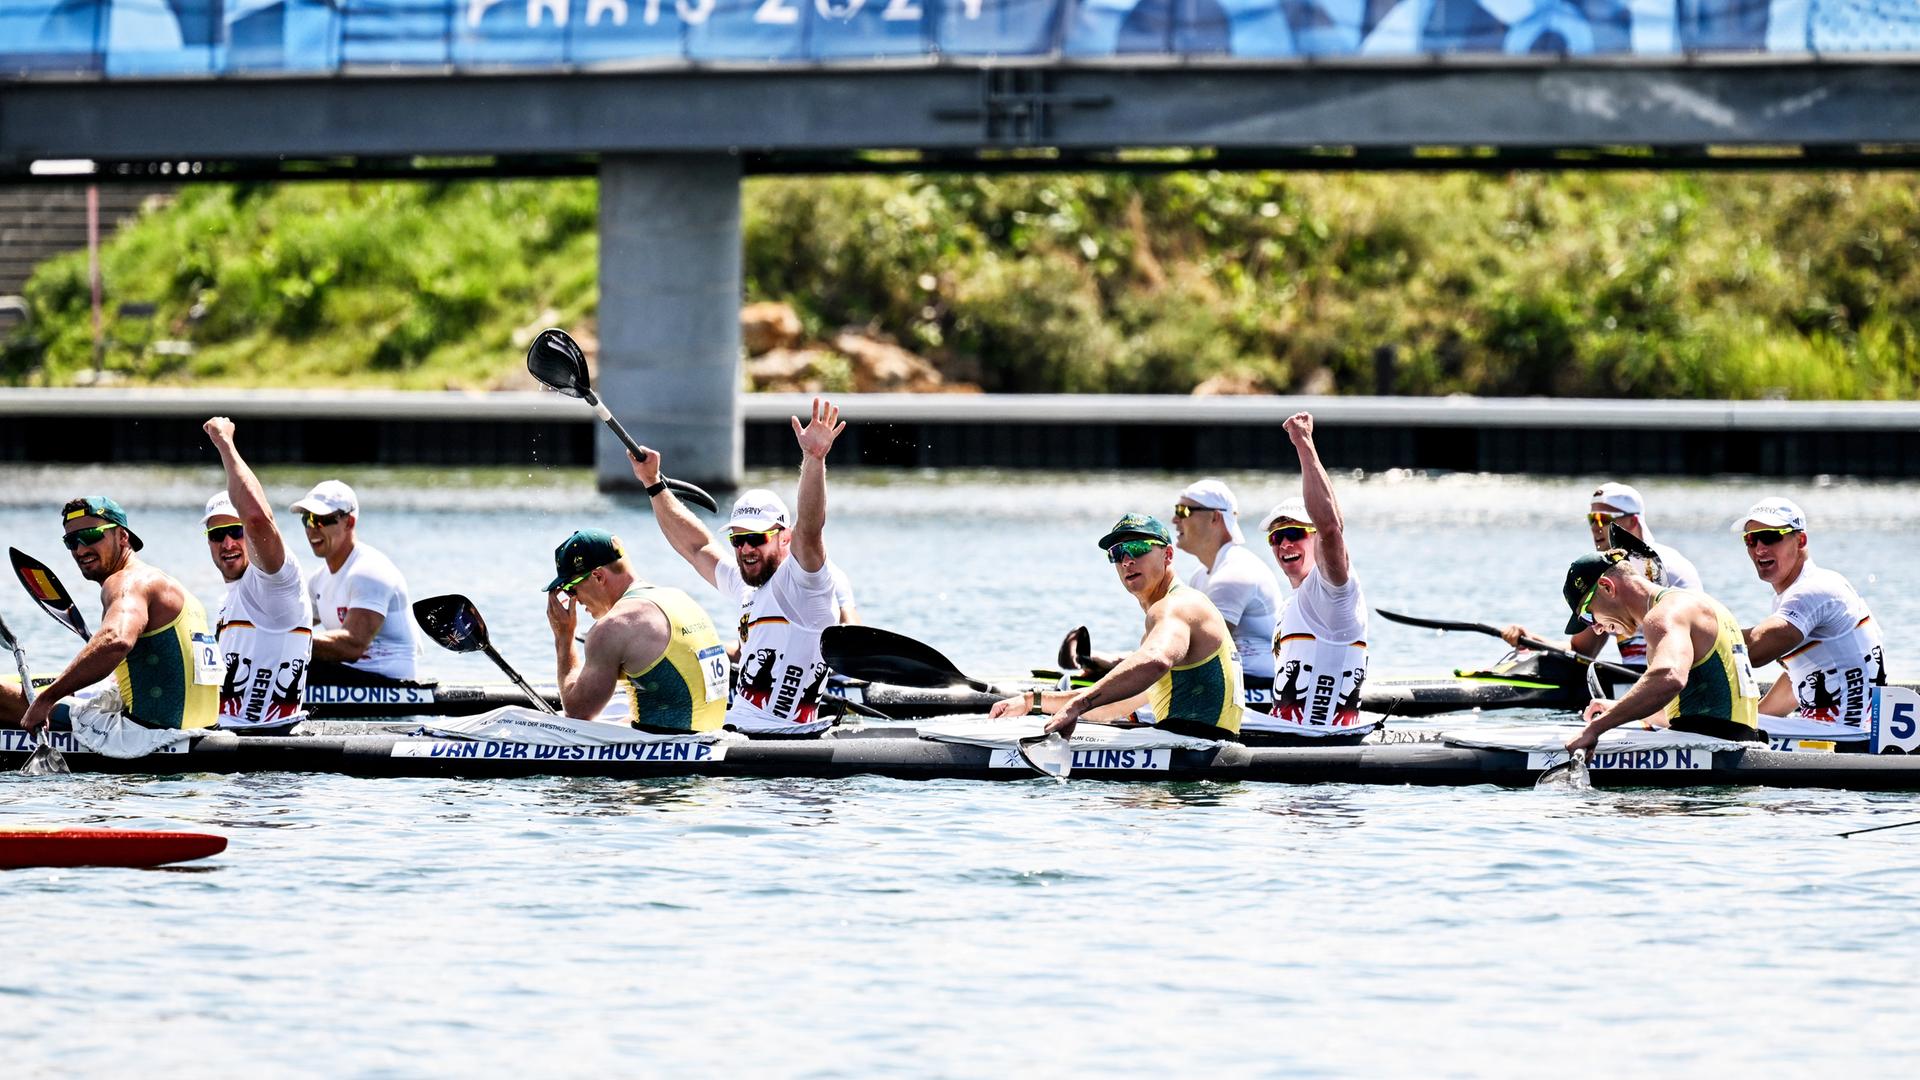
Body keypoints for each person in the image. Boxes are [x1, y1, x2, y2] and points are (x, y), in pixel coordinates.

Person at [635, 398, 846, 737]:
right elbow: (696, 547)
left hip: (780, 740)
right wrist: (653, 483)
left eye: (756, 538)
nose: (745, 548)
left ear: (783, 538)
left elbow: (810, 528)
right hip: (740, 730)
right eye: (737, 540)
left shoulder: (805, 584)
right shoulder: (746, 585)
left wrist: (814, 459)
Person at [988, 513, 1242, 741]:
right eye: (1117, 553)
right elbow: (1118, 704)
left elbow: (1156, 660)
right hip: (1201, 746)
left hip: (1193, 751)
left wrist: (1078, 705)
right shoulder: (1177, 609)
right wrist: (1031, 702)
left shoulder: (1176, 606)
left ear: (1168, 555)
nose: (1127, 561)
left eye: (1138, 548)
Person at [1, 497, 219, 732]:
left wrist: (46, 700)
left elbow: (115, 641)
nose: (81, 549)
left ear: (123, 536)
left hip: (146, 736)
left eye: (92, 536)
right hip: (205, 730)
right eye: (71, 541)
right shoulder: (173, 587)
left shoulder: (125, 581)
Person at [1560, 542, 1762, 754]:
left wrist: (1594, 729)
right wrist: (1616, 708)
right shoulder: (1699, 603)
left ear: (1607, 587)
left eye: (1588, 615)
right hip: (1735, 744)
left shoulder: (1665, 614)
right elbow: (1689, 709)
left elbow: (1670, 677)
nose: (1597, 629)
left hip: (1711, 750)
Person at [1501, 482, 1704, 669]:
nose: (1595, 527)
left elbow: (1696, 644)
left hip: (1673, 673)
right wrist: (1530, 640)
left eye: (1603, 519)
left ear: (1633, 521)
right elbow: (1582, 651)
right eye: (1592, 519)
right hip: (1636, 677)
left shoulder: (1664, 566)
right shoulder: (1610, 571)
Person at [542, 529, 728, 733]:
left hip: (670, 750)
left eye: (570, 588)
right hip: (708, 736)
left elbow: (577, 713)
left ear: (597, 576)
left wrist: (564, 637)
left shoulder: (613, 627)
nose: (573, 600)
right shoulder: (679, 598)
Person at [1254, 412, 1369, 732]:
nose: (1284, 544)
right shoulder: (1292, 602)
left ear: (1315, 538)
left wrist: (1303, 442)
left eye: (1295, 533)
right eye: (1276, 537)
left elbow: (1332, 528)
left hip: (1318, 741)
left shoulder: (1333, 591)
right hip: (1289, 734)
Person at [1732, 497, 1886, 733]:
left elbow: (1751, 652)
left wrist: (1689, 639)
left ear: (1800, 540)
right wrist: (1752, 721)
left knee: (1713, 726)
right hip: (1843, 727)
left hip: (1843, 735)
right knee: (1736, 724)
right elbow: (1796, 678)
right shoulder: (1807, 588)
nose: (1759, 549)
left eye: (1771, 537)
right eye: (1751, 539)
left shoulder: (1812, 592)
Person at [203, 417, 314, 730]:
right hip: (230, 737)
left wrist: (225, 444)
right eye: (216, 534)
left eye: (235, 531)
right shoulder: (232, 596)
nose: (227, 543)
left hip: (261, 743)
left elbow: (256, 518)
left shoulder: (276, 582)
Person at [294, 479, 419, 684]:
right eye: (306, 519)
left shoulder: (369, 572)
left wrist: (284, 642)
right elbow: (288, 623)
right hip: (347, 675)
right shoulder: (318, 580)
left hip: (388, 682)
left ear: (349, 522)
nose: (312, 529)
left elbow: (352, 645)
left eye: (321, 520)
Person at [1172, 478, 1281, 706]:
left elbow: (1194, 650)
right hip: (1235, 682)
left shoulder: (1234, 574)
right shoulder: (1201, 575)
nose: (1175, 519)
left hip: (1259, 690)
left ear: (1214, 517)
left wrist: (1122, 664)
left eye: (1183, 511)